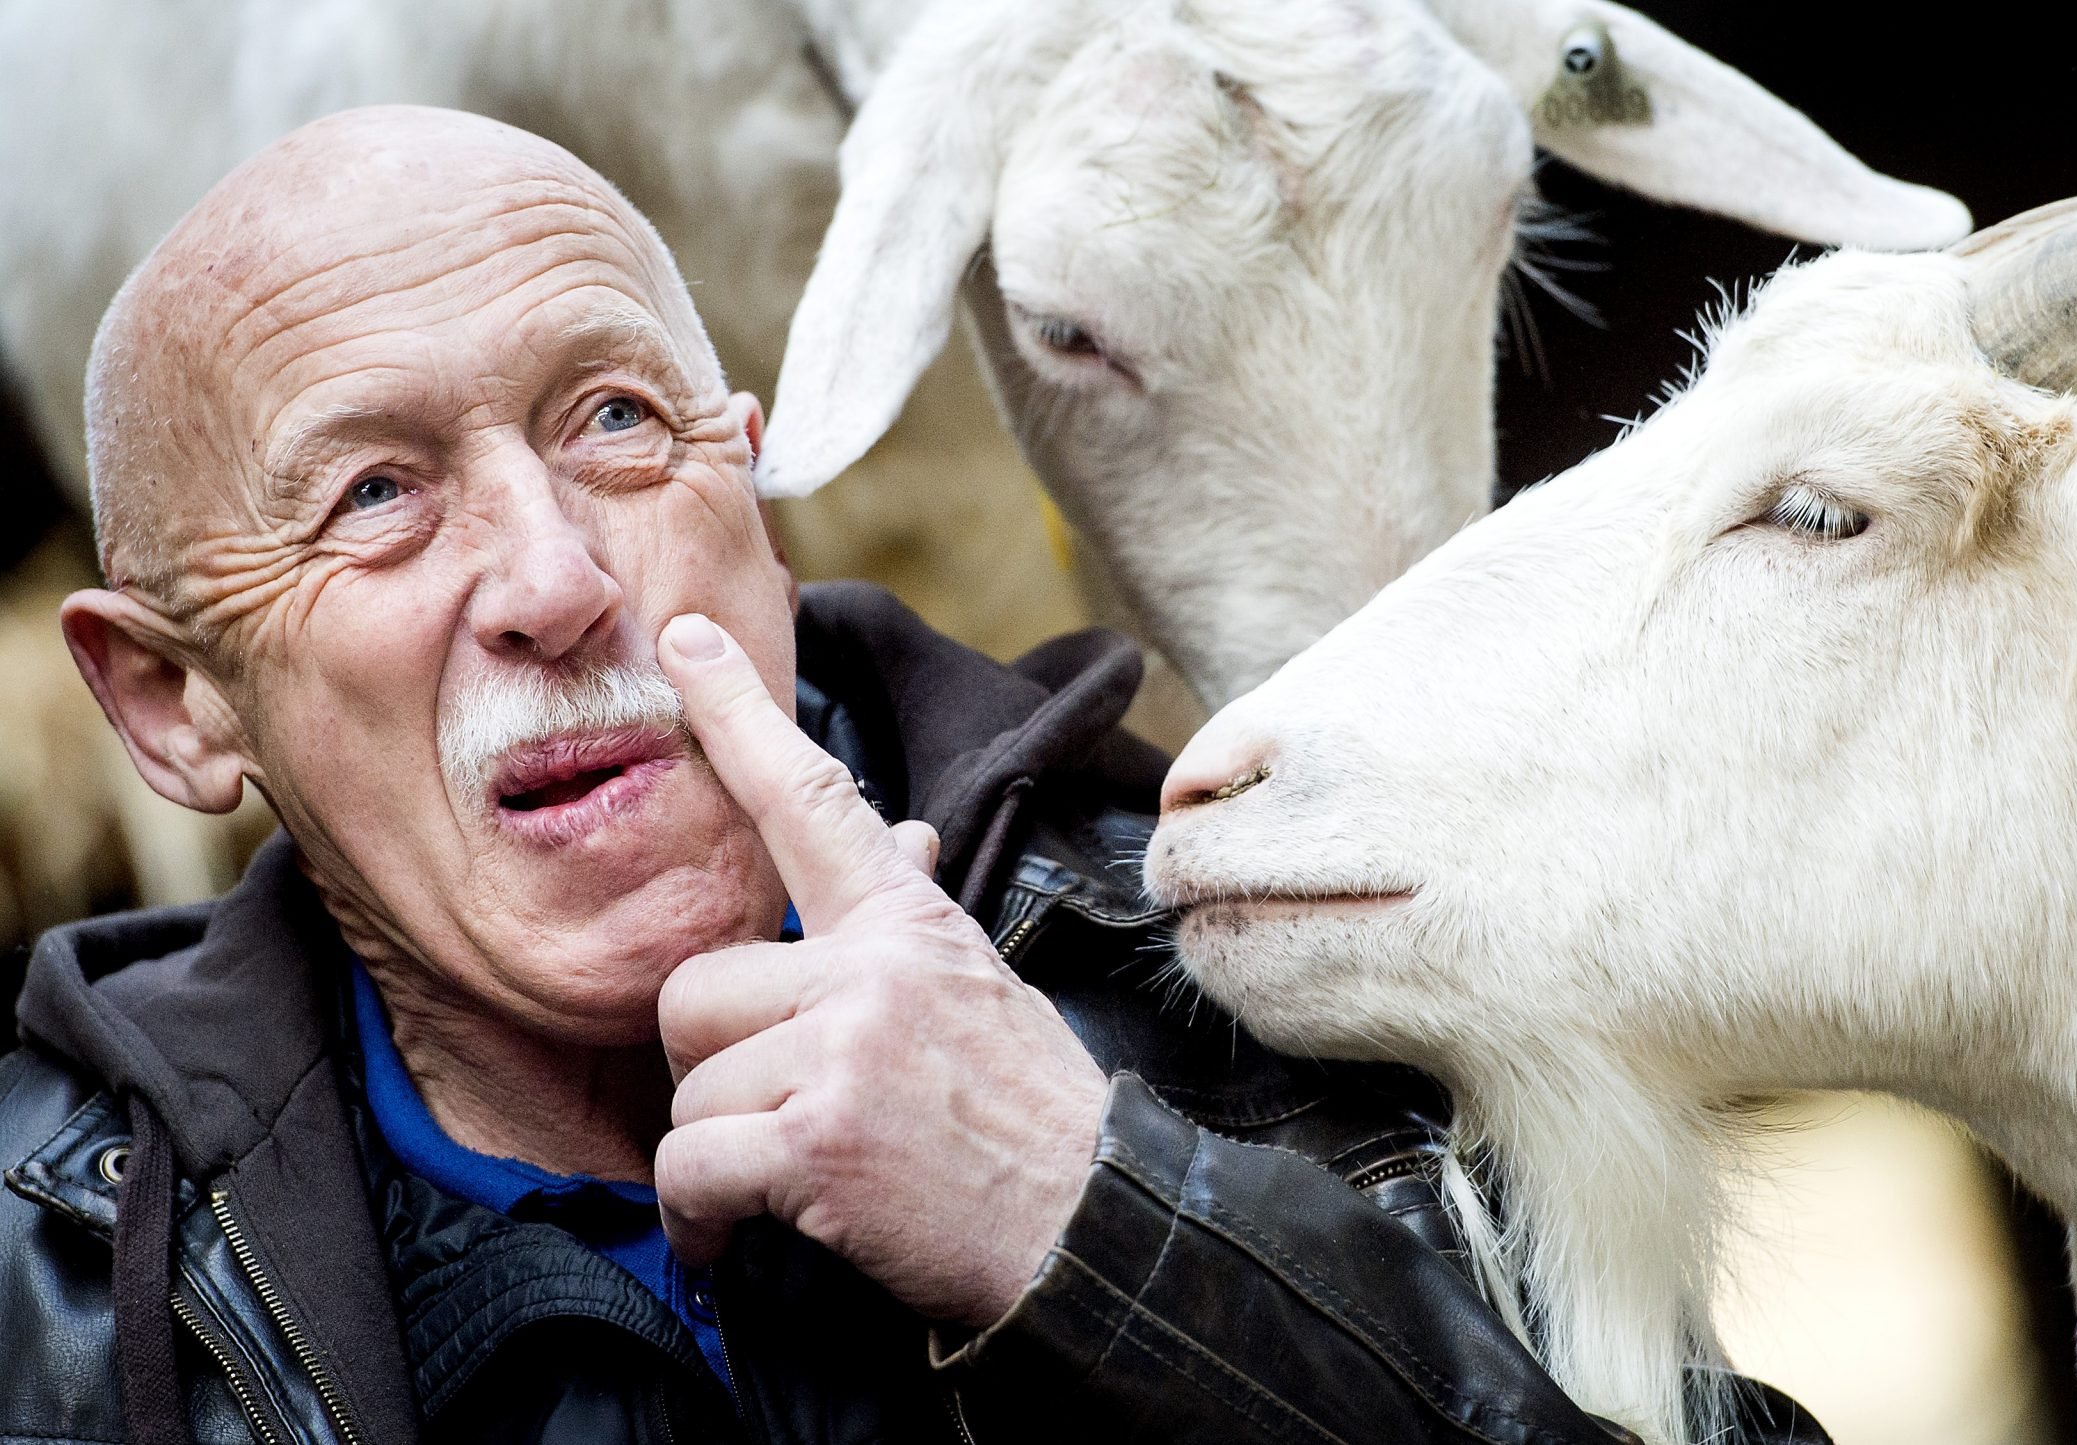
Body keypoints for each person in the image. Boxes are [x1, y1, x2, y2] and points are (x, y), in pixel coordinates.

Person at [0, 105, 1824, 1444]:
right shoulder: (46, 1259)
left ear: (756, 495)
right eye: (376, 497)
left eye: (617, 422)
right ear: (171, 700)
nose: (556, 583)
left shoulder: (1251, 967)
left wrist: (1094, 1219)